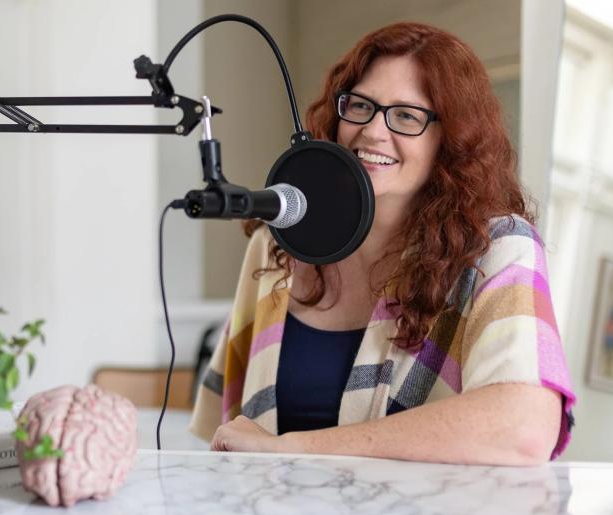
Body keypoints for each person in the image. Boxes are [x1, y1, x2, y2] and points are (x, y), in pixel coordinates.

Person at [188, 22, 575, 466]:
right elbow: (227, 429)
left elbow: (523, 429)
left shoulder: (498, 248)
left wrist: (292, 447)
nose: (372, 132)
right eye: (361, 106)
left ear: (451, 139)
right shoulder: (276, 245)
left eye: (407, 116)